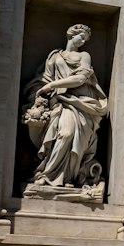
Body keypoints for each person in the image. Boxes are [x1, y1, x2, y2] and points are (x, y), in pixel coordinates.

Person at [23, 24, 109, 189]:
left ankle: (65, 177)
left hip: (81, 104)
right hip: (59, 102)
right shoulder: (54, 56)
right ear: (71, 34)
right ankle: (48, 175)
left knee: (69, 134)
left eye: (86, 39)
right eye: (81, 36)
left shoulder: (84, 56)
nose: (83, 41)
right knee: (64, 134)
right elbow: (44, 80)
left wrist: (52, 85)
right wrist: (41, 95)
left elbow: (79, 80)